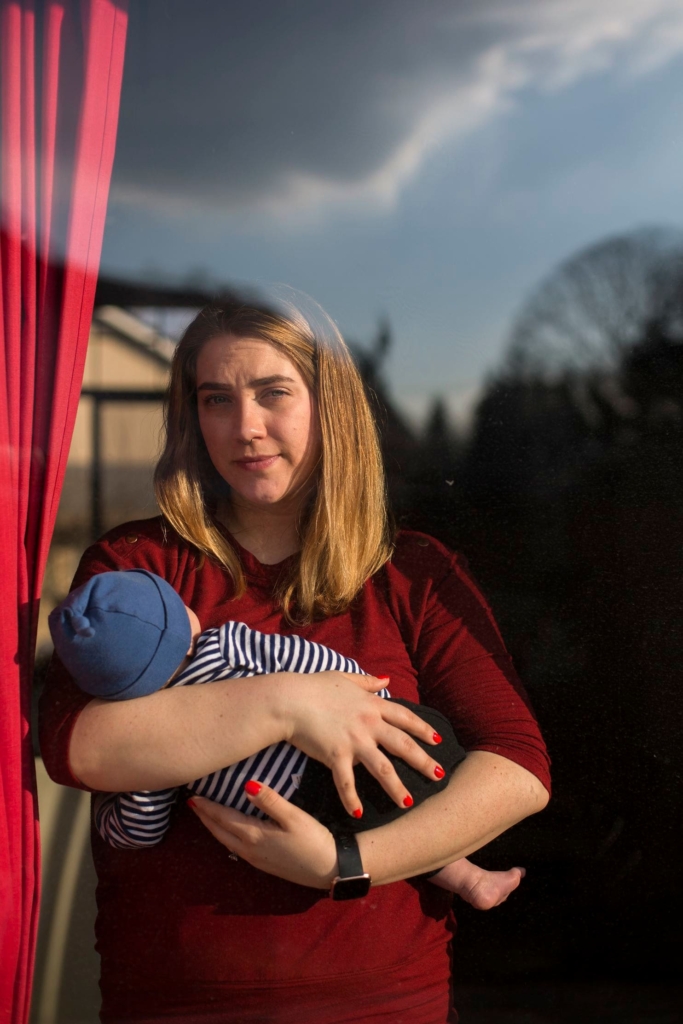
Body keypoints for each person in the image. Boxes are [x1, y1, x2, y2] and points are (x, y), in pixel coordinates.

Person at [39, 295, 551, 1024]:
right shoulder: (137, 571)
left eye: (273, 393)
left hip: (382, 1003)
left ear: (330, 407)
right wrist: (286, 704)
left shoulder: (411, 573)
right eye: (216, 400)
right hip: (174, 1003)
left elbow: (519, 770)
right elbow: (78, 748)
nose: (244, 427)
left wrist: (344, 865)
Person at [48, 568, 525, 910]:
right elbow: (299, 656)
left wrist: (112, 812)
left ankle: (467, 877)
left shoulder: (154, 745)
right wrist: (362, 689)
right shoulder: (225, 641)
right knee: (414, 794)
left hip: (307, 804)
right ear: (186, 617)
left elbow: (138, 830)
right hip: (376, 738)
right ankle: (467, 872)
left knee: (376, 819)